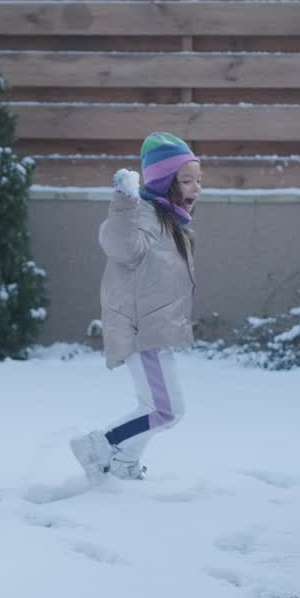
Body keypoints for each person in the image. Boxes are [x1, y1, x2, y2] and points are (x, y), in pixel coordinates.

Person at [70, 132, 202, 482]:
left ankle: (124, 463)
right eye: (186, 180)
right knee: (166, 410)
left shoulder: (167, 220)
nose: (196, 187)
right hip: (142, 331)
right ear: (162, 183)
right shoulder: (141, 215)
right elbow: (120, 245)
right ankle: (99, 445)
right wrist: (124, 201)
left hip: (153, 331)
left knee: (154, 406)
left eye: (199, 180)